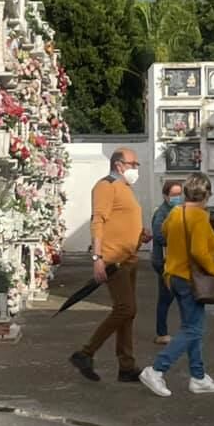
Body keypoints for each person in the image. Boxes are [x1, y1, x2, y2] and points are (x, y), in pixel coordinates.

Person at [69, 148, 151, 383]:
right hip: (114, 260)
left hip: (129, 258)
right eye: (134, 164)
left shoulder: (125, 188)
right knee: (126, 309)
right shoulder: (105, 186)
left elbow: (122, 221)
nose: (136, 168)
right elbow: (98, 221)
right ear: (119, 165)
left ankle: (126, 365)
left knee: (127, 314)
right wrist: (98, 258)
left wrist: (140, 234)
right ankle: (85, 353)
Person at [139, 173, 214, 397]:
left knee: (192, 327)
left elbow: (165, 233)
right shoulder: (200, 217)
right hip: (191, 277)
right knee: (193, 328)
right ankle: (156, 369)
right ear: (207, 194)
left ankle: (198, 376)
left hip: (173, 274)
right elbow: (199, 251)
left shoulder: (176, 212)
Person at [151, 181, 184, 344]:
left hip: (172, 260)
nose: (178, 198)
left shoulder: (177, 210)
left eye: (179, 194)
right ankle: (161, 333)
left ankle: (163, 332)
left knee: (171, 296)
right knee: (166, 297)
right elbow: (159, 236)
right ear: (165, 196)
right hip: (163, 261)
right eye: (174, 195)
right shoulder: (162, 213)